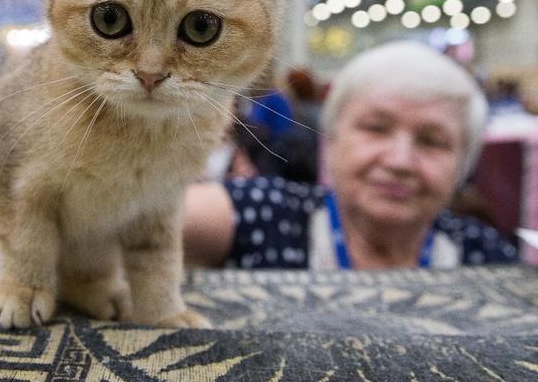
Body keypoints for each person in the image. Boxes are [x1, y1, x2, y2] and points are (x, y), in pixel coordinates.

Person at [183, 41, 518, 270]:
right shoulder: (265, 213)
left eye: (432, 142)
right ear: (332, 139)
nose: (400, 161)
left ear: (463, 164)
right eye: (376, 128)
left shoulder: (486, 256)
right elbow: (146, 220)